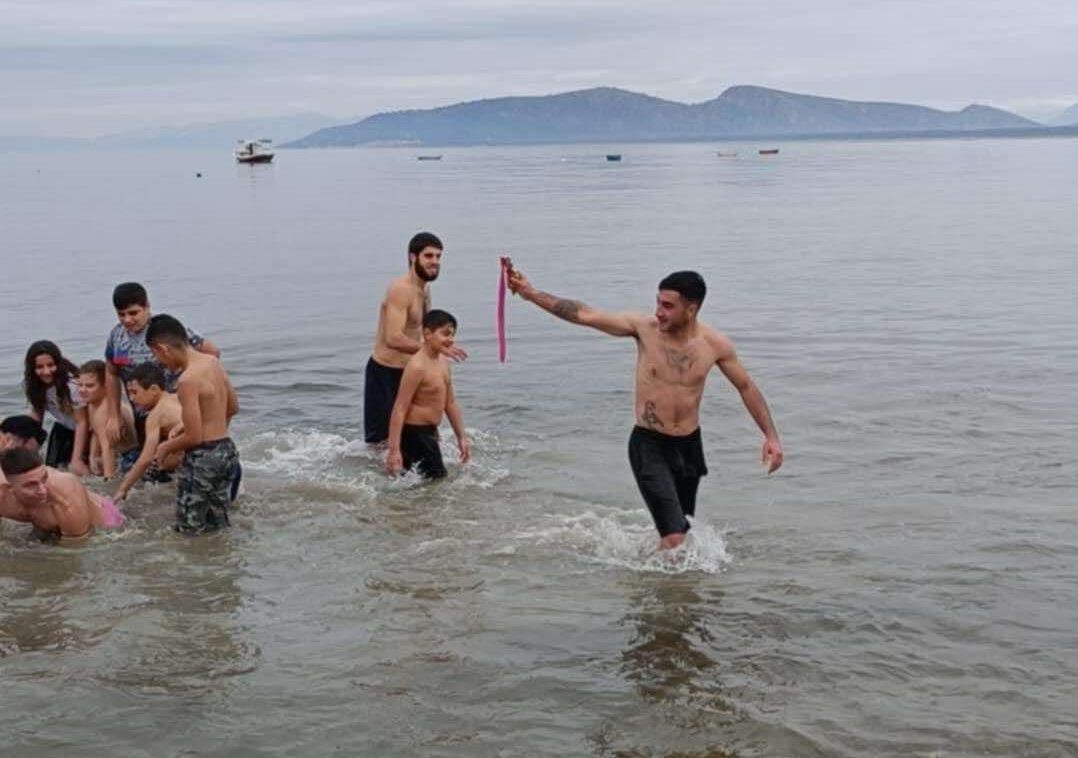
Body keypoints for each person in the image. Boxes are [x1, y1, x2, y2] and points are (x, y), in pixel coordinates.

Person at [506, 264, 783, 550]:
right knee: (674, 537)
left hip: (689, 446)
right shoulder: (644, 329)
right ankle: (660, 588)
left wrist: (771, 437)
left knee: (683, 530)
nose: (658, 311)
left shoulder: (714, 345)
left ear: (691, 308)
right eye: (658, 302)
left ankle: (653, 580)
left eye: (667, 305)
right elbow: (583, 315)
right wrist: (529, 293)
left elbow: (746, 387)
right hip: (649, 444)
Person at [365, 232, 467, 445]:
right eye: (429, 256)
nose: (435, 262)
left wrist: (438, 350)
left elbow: (426, 332)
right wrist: (432, 351)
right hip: (386, 373)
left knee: (421, 434)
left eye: (439, 257)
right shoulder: (400, 290)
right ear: (413, 257)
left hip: (411, 370)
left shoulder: (424, 289)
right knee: (380, 444)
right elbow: (392, 338)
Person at [145, 314, 240, 533]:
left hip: (202, 460)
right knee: (218, 524)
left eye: (156, 355)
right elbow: (233, 407)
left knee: (190, 531)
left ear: (163, 349)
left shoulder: (187, 380)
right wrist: (186, 425)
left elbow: (195, 438)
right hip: (226, 452)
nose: (159, 362)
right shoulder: (213, 362)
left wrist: (165, 447)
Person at [103, 282, 219, 447]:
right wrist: (113, 415)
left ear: (147, 306)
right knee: (150, 459)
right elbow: (111, 372)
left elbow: (211, 353)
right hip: (143, 410)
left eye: (133, 313)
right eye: (121, 315)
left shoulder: (163, 329)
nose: (127, 320)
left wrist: (194, 390)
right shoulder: (117, 337)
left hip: (176, 408)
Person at [385, 310, 470, 479]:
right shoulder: (417, 366)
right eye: (445, 334)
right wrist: (393, 451)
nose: (450, 340)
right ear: (427, 334)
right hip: (414, 433)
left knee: (412, 484)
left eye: (453, 335)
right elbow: (399, 408)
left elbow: (450, 403)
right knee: (437, 482)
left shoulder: (443, 363)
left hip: (430, 432)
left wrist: (461, 437)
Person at [1, 447, 125, 541]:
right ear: (9, 488)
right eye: (31, 485)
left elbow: (74, 549)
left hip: (105, 522)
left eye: (44, 478)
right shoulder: (3, 496)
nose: (43, 490)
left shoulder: (64, 497)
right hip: (48, 525)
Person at [113, 362, 185, 501]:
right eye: (129, 394)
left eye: (135, 392)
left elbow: (145, 458)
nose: (132, 399)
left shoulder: (155, 415)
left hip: (198, 464)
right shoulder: (177, 397)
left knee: (150, 471)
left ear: (154, 389)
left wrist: (123, 488)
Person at [23, 340, 90, 474]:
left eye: (50, 365)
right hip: (64, 429)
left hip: (88, 431)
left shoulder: (72, 384)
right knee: (51, 469)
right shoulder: (32, 385)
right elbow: (37, 416)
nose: (46, 371)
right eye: (39, 367)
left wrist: (76, 459)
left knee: (76, 468)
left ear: (58, 364)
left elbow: (82, 422)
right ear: (32, 368)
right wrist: (26, 446)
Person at [77, 360, 137, 480]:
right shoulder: (92, 403)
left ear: (106, 387)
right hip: (118, 453)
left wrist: (108, 480)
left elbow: (107, 448)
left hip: (131, 456)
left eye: (89, 386)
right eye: (80, 385)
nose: (82, 390)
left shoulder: (105, 409)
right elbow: (96, 431)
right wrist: (92, 456)